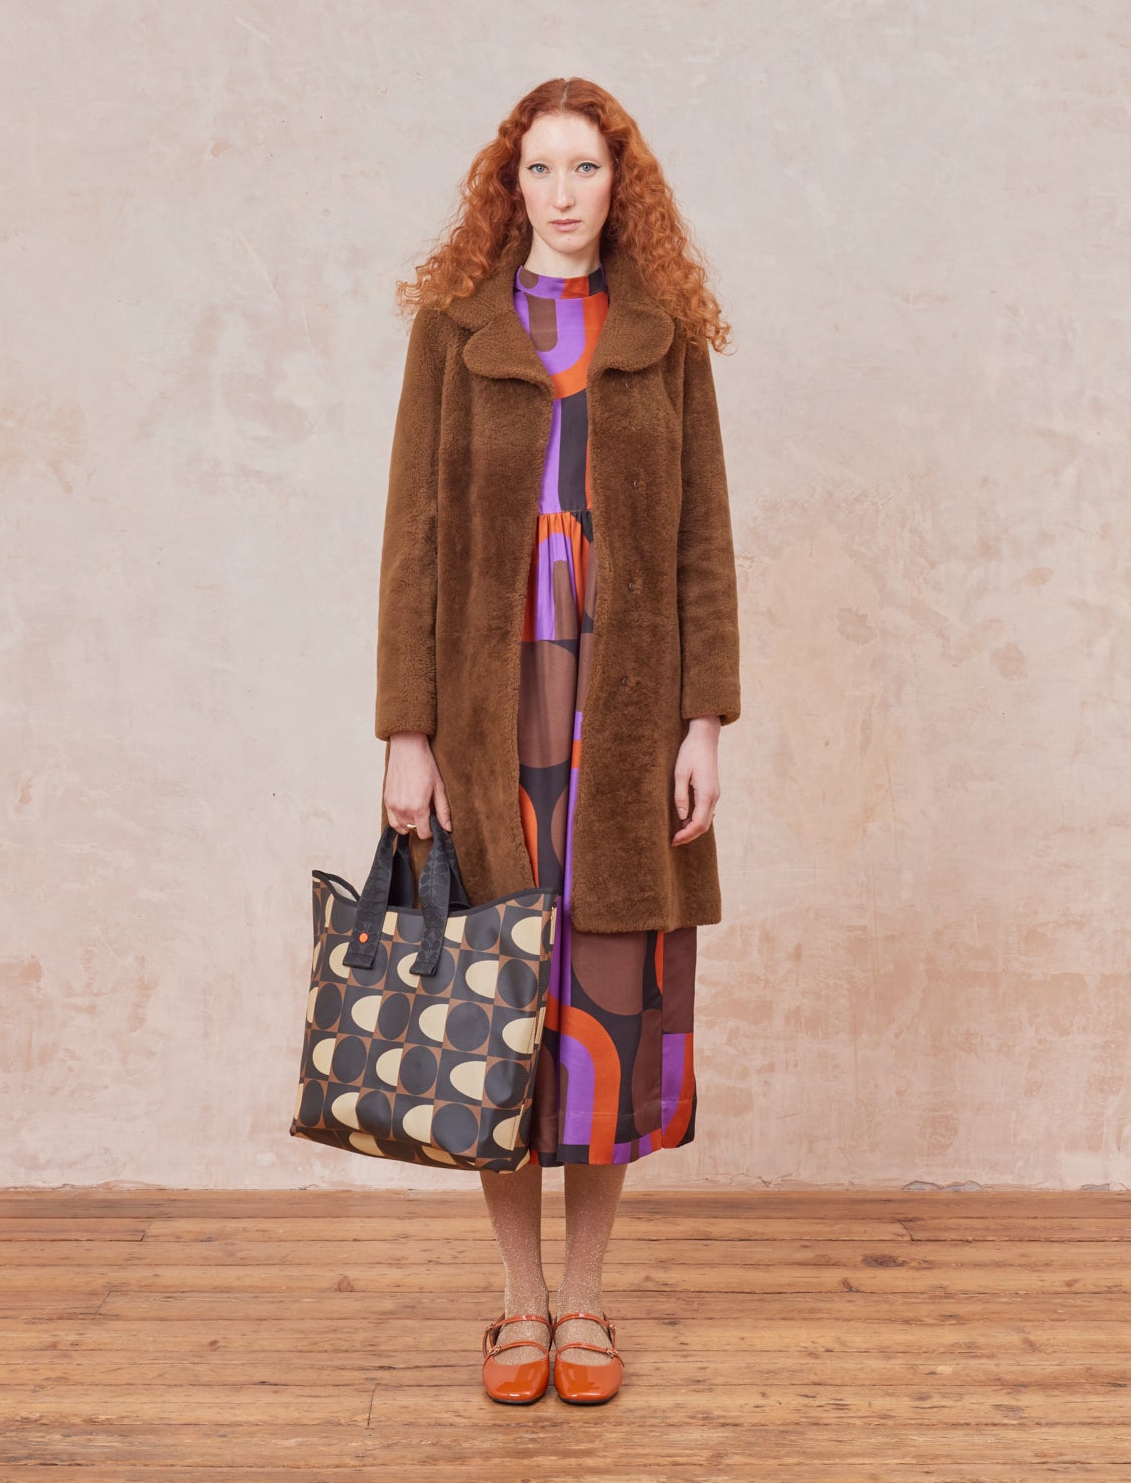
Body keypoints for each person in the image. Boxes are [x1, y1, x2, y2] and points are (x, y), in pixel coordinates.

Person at [374, 77, 741, 1405]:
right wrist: (405, 733)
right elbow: (412, 535)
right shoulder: (454, 332)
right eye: (543, 167)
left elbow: (703, 535)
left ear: (618, 185)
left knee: (611, 1007)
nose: (568, 191)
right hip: (492, 711)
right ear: (509, 185)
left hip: (628, 714)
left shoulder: (663, 336)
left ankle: (587, 1305)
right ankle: (515, 1307)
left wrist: (706, 717)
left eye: (589, 166)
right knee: (497, 999)